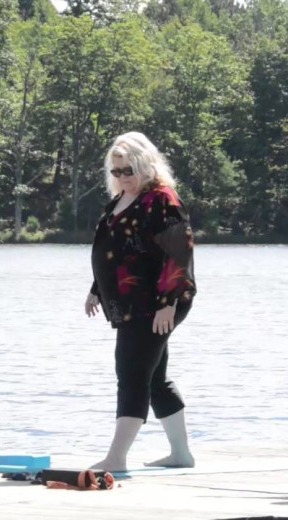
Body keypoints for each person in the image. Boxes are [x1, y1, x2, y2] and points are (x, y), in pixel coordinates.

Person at [86, 131, 197, 472]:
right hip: (128, 302)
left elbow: (178, 252)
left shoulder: (161, 200)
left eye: (128, 169)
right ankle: (181, 454)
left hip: (156, 302)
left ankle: (117, 457)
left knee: (131, 371)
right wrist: (96, 289)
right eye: (116, 171)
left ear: (146, 164)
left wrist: (168, 303)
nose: (122, 177)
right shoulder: (120, 200)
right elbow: (113, 251)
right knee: (154, 376)